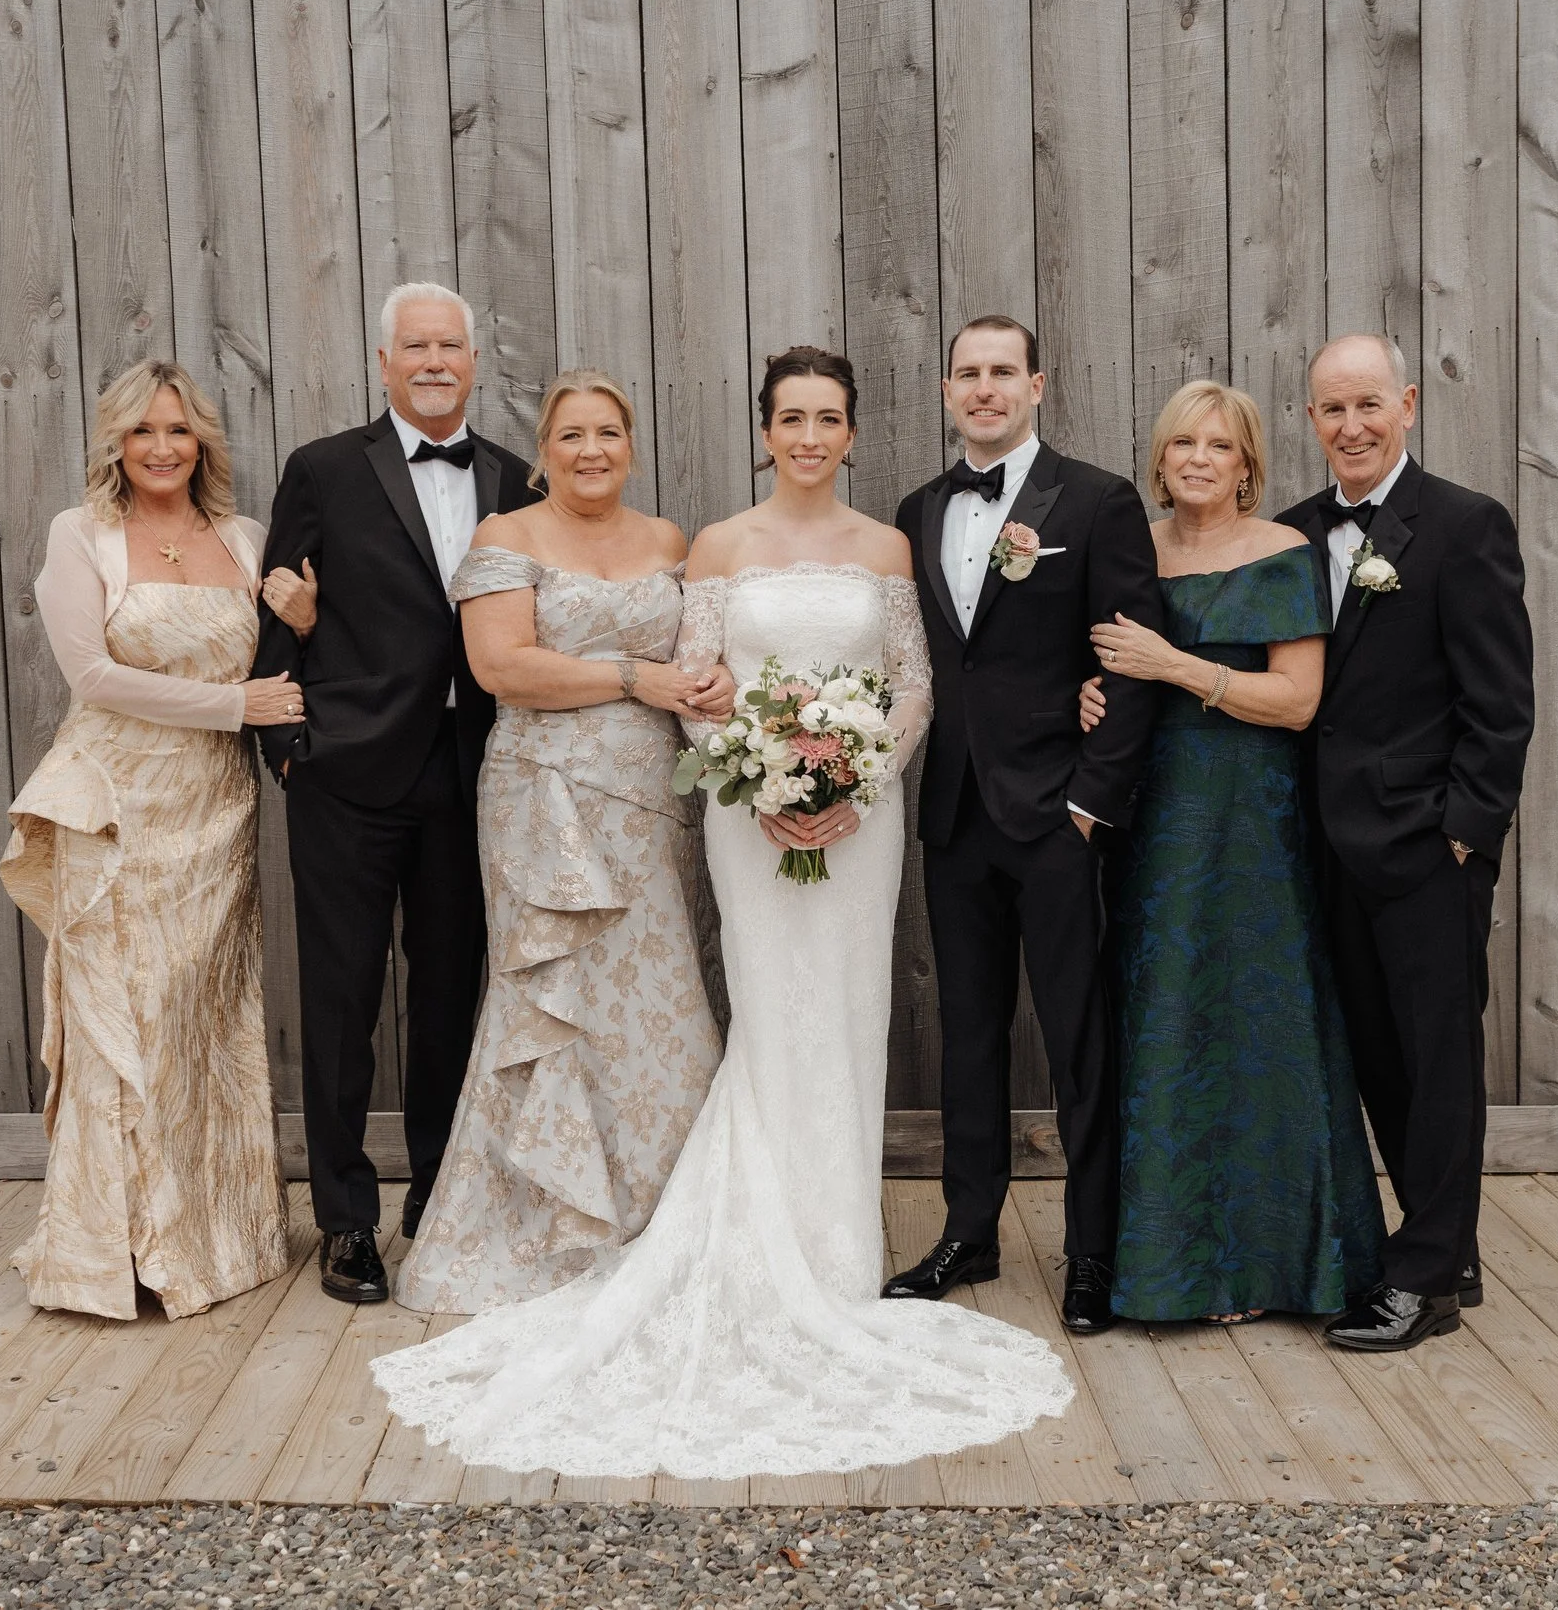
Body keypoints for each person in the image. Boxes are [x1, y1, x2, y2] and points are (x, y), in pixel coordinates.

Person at [367, 348, 1072, 1480]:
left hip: (860, 821)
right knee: (763, 1011)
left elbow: (913, 680)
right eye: (789, 416)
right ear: (763, 428)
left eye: (826, 418)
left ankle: (837, 1247)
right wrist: (756, 774)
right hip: (747, 820)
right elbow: (694, 679)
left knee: (845, 1012)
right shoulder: (716, 548)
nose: (807, 434)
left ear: (850, 433)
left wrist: (852, 780)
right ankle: (755, 1231)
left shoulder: (886, 546)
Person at [393, 371, 732, 1312]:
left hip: (652, 798)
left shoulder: (669, 541)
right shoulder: (507, 536)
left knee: (659, 997)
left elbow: (700, 656)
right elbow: (500, 667)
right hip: (543, 796)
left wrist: (710, 691)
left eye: (609, 433)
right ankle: (547, 1225)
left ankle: (662, 1220)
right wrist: (634, 674)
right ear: (544, 450)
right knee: (554, 996)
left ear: (631, 443)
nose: (592, 451)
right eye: (573, 435)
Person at [882, 315, 1167, 1336]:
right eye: (968, 373)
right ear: (947, 388)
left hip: (1056, 817)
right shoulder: (918, 508)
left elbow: (1129, 659)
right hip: (953, 814)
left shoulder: (1094, 501)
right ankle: (969, 1231)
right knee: (967, 1035)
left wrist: (1091, 802)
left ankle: (1095, 1250)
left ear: (1037, 384)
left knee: (1078, 1037)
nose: (985, 388)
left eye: (1003, 371)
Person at [1077, 379, 1384, 1324]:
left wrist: (1174, 666)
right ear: (1160, 460)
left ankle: (1267, 1265)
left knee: (1258, 1024)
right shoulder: (1136, 550)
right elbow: (1090, 662)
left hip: (1251, 823)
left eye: (1219, 446)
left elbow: (1296, 701)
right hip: (1153, 821)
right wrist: (1084, 701)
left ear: (1248, 463)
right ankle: (1168, 1262)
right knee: (1165, 1011)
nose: (1199, 459)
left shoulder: (1283, 553)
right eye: (1182, 445)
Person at [252, 283, 536, 1305]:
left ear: (472, 360)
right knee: (340, 1001)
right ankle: (345, 1220)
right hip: (349, 774)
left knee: (456, 995)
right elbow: (277, 607)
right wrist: (289, 745)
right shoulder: (324, 467)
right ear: (383, 362)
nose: (432, 359)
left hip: (475, 772)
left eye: (449, 344)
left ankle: (442, 1198)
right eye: (413, 345)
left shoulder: (513, 473)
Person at [0, 360, 296, 1319]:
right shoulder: (82, 536)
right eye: (142, 432)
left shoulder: (246, 539)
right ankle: (112, 1254)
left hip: (216, 815)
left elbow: (292, 657)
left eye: (178, 430)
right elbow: (93, 675)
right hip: (117, 809)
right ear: (115, 444)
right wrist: (233, 703)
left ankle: (211, 1237)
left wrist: (306, 617)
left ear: (202, 439)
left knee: (198, 1025)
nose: (162, 448)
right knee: (120, 1021)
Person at [1275, 334, 1534, 1352]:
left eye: (1367, 404)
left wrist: (1465, 834)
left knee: (1436, 1056)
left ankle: (1423, 1277)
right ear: (1310, 421)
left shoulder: (1464, 526)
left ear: (1408, 404)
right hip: (1325, 846)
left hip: (1427, 845)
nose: (1350, 425)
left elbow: (1501, 703)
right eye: (1331, 409)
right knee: (1377, 1054)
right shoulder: (1289, 534)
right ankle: (1447, 1239)